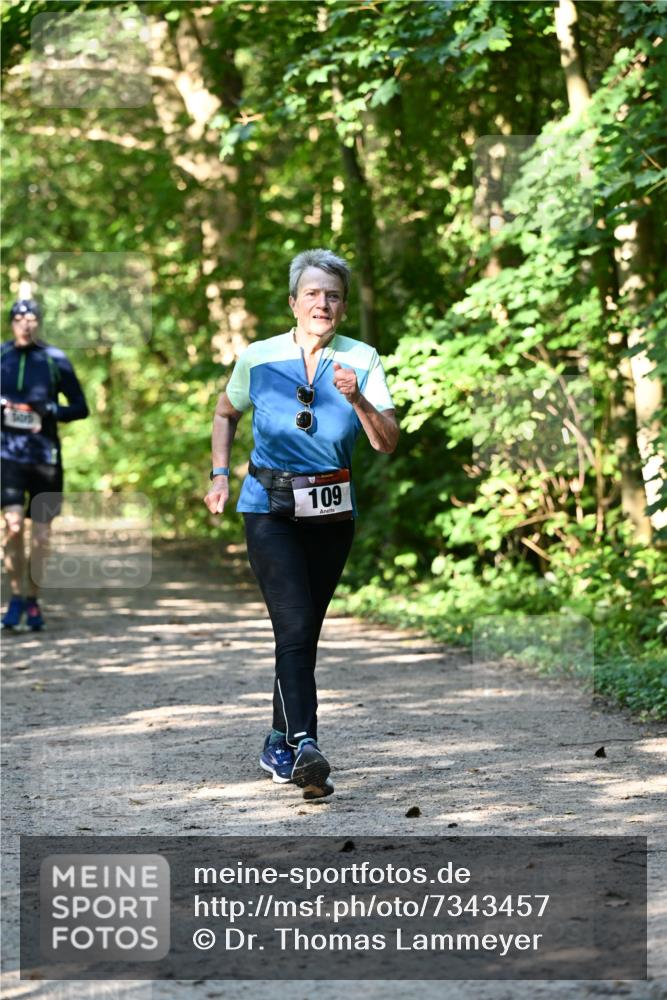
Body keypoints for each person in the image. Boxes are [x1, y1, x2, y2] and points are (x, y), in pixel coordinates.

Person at [204, 249, 399, 800]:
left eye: (333, 295)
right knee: (292, 625)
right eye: (312, 293)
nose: (323, 303)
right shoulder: (258, 357)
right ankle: (305, 744)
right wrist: (219, 475)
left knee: (304, 630)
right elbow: (225, 413)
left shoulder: (362, 358)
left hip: (332, 512)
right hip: (269, 506)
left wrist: (357, 398)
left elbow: (386, 441)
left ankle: (276, 741)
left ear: (343, 307)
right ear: (293, 302)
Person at [1, 299, 89, 630]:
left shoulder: (54, 360)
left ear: (39, 323)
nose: (26, 324)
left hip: (45, 459)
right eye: (19, 318)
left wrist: (51, 410)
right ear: (11, 323)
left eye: (32, 318)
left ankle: (33, 600)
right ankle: (15, 598)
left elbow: (80, 407)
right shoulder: (2, 356)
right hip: (7, 457)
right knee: (12, 528)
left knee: (41, 536)